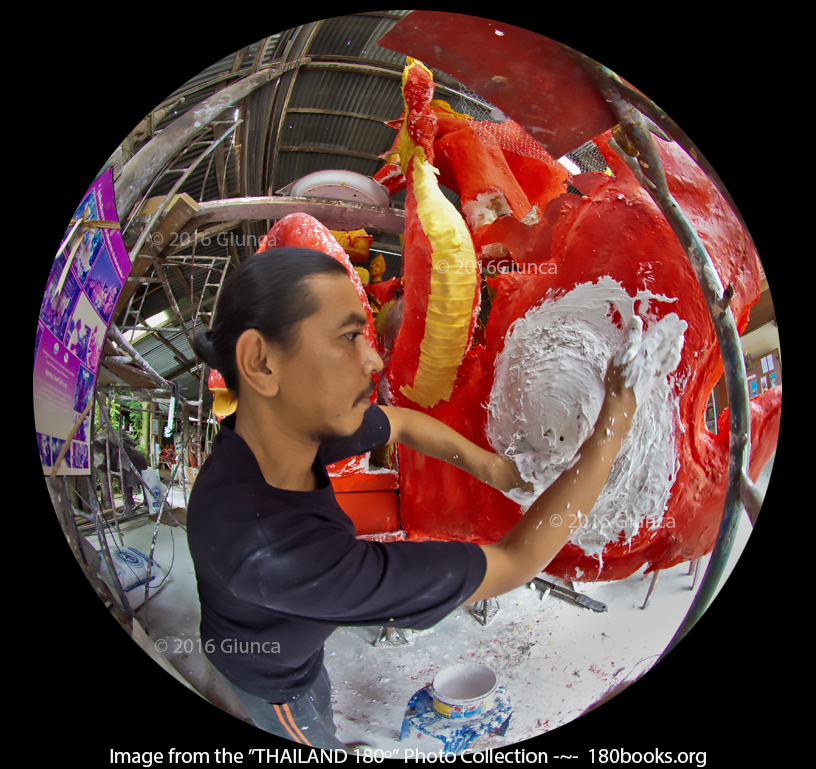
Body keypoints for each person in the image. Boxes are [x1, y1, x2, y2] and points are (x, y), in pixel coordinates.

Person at [187, 246, 638, 750]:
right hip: (271, 674)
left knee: (314, 682)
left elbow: (397, 422)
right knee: (307, 729)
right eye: (349, 335)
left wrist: (491, 467)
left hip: (291, 636)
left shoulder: (280, 429)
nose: (374, 356)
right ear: (261, 362)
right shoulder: (274, 552)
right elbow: (515, 562)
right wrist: (612, 427)